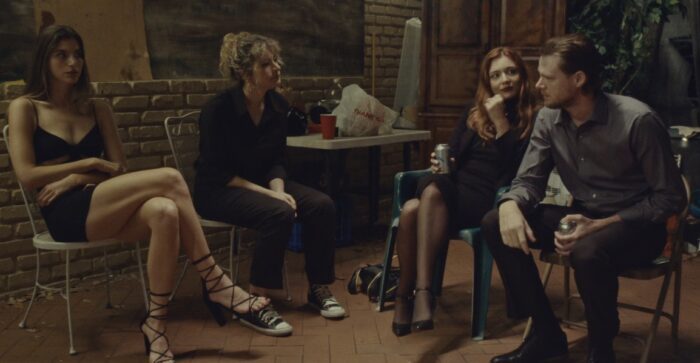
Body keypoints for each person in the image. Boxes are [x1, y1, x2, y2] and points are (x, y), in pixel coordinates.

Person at [7, 25, 271, 363]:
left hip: (100, 199)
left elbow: (117, 167)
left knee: (164, 211)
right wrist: (90, 162)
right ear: (44, 59)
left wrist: (75, 176)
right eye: (62, 55)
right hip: (64, 213)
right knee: (171, 178)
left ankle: (155, 328)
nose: (73, 62)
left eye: (77, 54)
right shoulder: (25, 107)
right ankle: (216, 281)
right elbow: (28, 174)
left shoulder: (96, 107)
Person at [481, 33, 686, 363]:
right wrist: (509, 203)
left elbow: (670, 198)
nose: (537, 85)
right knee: (494, 221)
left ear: (578, 79)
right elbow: (529, 180)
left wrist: (601, 224)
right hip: (582, 215)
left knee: (587, 251)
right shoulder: (549, 118)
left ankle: (601, 349)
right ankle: (547, 334)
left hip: (639, 225)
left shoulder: (637, 120)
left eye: (548, 78)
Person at [193, 32, 346, 336]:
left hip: (263, 184)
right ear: (244, 72)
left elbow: (277, 159)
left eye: (276, 61)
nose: (276, 68)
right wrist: (271, 196)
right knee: (278, 213)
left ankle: (318, 289)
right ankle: (256, 302)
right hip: (217, 190)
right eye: (266, 63)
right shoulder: (218, 110)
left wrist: (278, 189)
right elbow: (216, 171)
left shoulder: (276, 104)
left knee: (322, 205)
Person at [391, 47, 537, 336]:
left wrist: (500, 121)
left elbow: (518, 168)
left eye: (511, 71)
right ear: (488, 83)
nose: (504, 80)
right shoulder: (473, 114)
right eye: (496, 75)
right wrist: (442, 162)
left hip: (488, 198)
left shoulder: (532, 118)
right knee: (420, 201)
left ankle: (410, 296)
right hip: (452, 189)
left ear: (522, 76)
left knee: (414, 207)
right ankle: (417, 294)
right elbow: (453, 155)